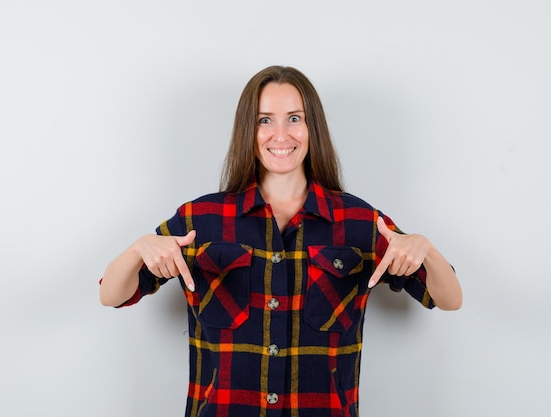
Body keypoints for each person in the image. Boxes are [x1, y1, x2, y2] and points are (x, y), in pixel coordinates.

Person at [100, 65, 462, 417]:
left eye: (294, 118)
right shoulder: (200, 220)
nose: (281, 134)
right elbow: (112, 294)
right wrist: (138, 249)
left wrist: (424, 248)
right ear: (249, 129)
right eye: (264, 120)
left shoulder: (360, 223)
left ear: (311, 127)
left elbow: (448, 299)